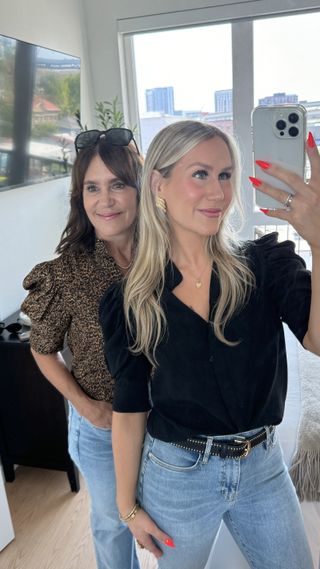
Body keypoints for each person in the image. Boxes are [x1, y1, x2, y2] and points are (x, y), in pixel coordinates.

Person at [99, 120, 320, 569]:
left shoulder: (265, 264)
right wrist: (128, 508)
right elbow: (129, 408)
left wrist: (319, 240)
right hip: (177, 476)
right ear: (158, 184)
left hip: (262, 468)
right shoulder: (130, 300)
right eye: (200, 174)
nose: (218, 192)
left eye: (225, 175)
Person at [21, 128, 143, 569]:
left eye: (117, 184)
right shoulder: (68, 271)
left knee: (162, 520)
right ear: (80, 196)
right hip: (104, 425)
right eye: (92, 187)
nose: (104, 200)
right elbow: (42, 349)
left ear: (139, 189)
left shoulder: (166, 254)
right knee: (113, 524)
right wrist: (87, 408)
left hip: (165, 420)